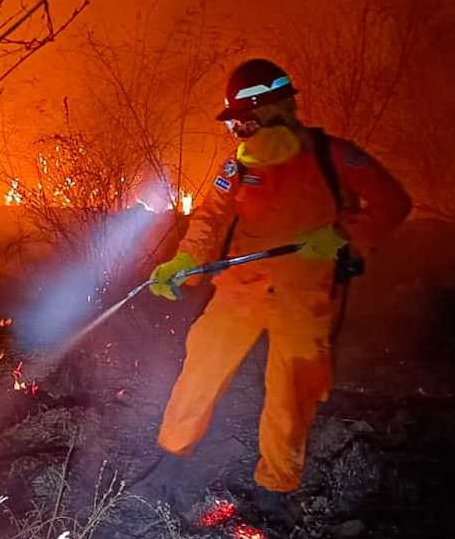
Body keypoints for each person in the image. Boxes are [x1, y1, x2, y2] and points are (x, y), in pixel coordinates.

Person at [148, 59, 411, 505]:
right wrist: (186, 259)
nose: (238, 132)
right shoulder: (240, 163)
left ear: (270, 108)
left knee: (291, 394)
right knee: (202, 366)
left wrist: (344, 237)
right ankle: (170, 459)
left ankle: (275, 489)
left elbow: (393, 202)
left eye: (242, 120)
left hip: (305, 295)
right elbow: (212, 215)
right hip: (241, 286)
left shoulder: (334, 156)